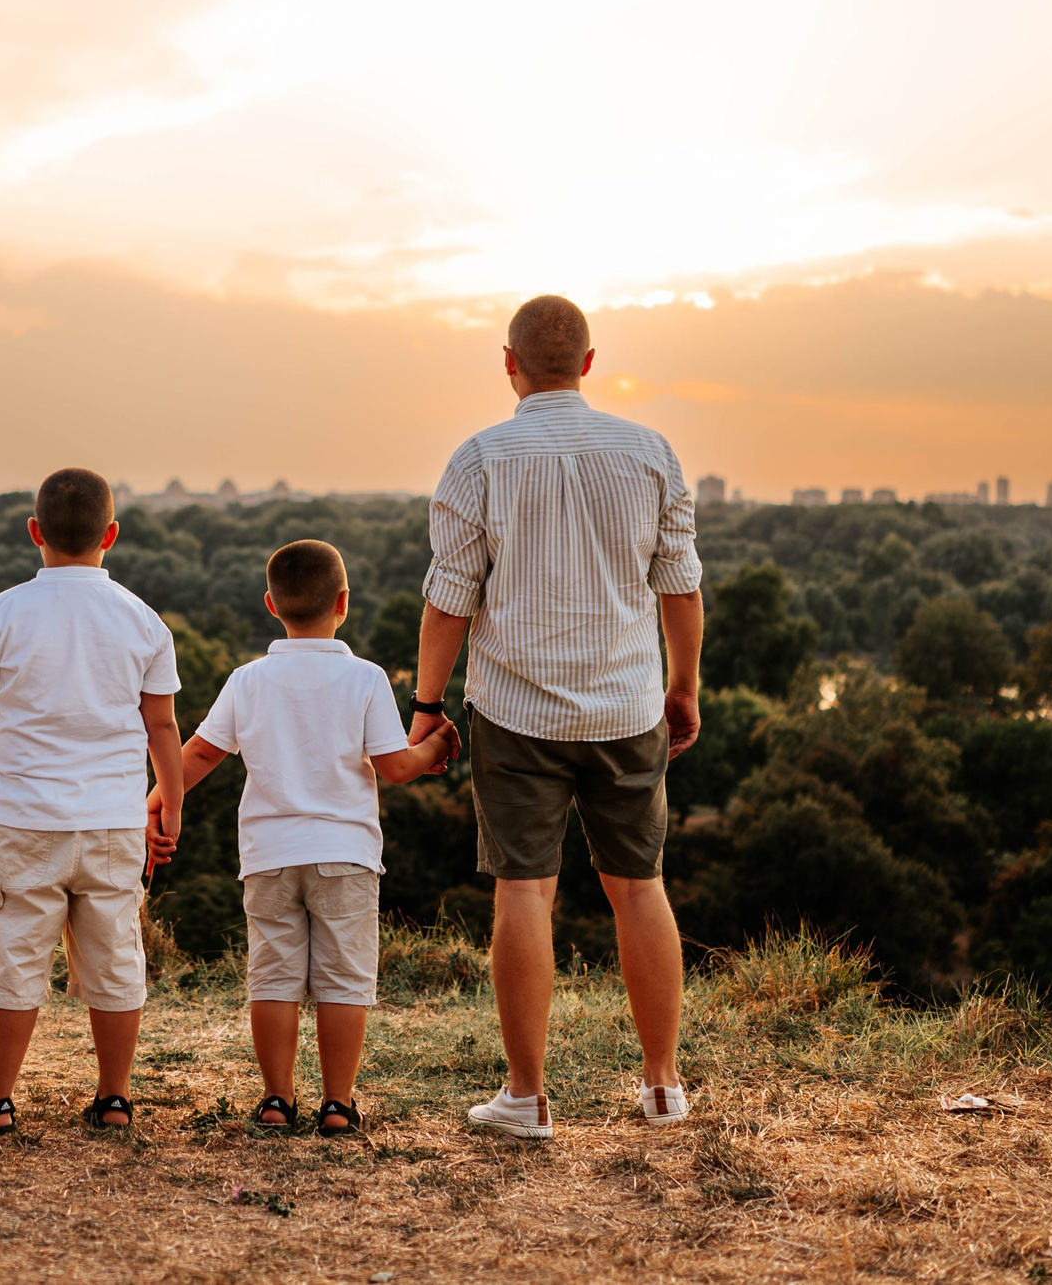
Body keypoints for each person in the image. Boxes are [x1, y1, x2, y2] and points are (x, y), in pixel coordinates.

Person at [410, 293, 706, 1137]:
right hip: (625, 703)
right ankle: (661, 1086)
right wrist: (682, 686)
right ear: (587, 361)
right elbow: (679, 588)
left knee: (524, 891)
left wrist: (427, 705)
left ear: (509, 364)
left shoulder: (480, 458)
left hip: (515, 708)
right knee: (639, 885)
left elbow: (447, 604)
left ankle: (528, 1097)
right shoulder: (650, 453)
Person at [0, 468, 185, 1135]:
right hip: (112, 820)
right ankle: (114, 1097)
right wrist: (169, 806)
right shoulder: (142, 619)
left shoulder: (7, 610)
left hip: (26, 820)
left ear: (34, 533)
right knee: (115, 958)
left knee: (15, 957)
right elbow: (162, 727)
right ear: (111, 534)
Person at [147, 539, 456, 1136]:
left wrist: (153, 804)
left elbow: (200, 754)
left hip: (269, 857)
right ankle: (337, 1104)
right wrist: (435, 747)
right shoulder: (364, 677)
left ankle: (276, 1100)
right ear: (343, 602)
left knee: (274, 976)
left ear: (271, 605)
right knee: (343, 979)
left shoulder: (247, 679)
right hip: (344, 854)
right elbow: (395, 768)